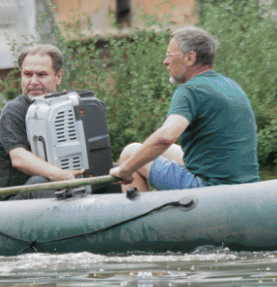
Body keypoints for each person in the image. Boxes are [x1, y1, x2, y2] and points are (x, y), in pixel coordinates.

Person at [109, 26, 259, 191]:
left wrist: (125, 169)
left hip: (210, 189)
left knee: (130, 153)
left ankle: (136, 215)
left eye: (169, 56)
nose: (165, 62)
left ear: (190, 58)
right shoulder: (230, 85)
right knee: (166, 151)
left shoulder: (190, 90)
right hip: (246, 187)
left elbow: (165, 137)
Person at [0, 44, 84, 197]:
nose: (33, 81)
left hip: (60, 185)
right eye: (28, 74)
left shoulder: (68, 106)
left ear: (58, 77)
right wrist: (63, 175)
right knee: (39, 182)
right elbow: (19, 158)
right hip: (15, 200)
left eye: (41, 75)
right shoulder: (13, 111)